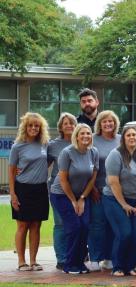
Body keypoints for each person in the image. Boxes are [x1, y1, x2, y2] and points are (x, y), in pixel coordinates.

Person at [103, 124, 136, 276]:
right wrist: (124, 204)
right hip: (115, 200)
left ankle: (130, 266)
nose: (132, 137)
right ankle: (118, 266)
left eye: (134, 135)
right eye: (128, 135)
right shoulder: (115, 155)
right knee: (124, 232)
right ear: (123, 138)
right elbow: (113, 182)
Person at [49, 124, 98, 274]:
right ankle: (69, 264)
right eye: (82, 133)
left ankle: (80, 263)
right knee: (74, 227)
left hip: (82, 195)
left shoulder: (93, 152)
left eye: (88, 133)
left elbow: (92, 179)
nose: (85, 136)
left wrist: (82, 198)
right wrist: (73, 200)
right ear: (76, 136)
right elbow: (63, 180)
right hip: (62, 194)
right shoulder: (67, 152)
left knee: (84, 227)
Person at [8, 112, 50, 271]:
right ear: (25, 127)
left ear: (41, 128)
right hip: (23, 189)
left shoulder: (45, 143)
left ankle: (33, 261)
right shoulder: (17, 146)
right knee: (22, 226)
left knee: (36, 225)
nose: (34, 128)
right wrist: (13, 194)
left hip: (40, 189)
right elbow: (11, 171)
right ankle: (21, 261)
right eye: (30, 125)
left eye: (37, 126)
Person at [88, 110, 121, 272]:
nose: (108, 124)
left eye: (111, 121)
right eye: (105, 121)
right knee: (97, 225)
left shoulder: (121, 140)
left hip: (117, 192)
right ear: (99, 124)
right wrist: (92, 188)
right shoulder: (92, 140)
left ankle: (109, 258)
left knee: (113, 226)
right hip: (98, 191)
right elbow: (86, 166)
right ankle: (95, 257)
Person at [47, 112, 77, 270]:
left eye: (72, 123)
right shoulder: (53, 145)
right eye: (65, 123)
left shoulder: (81, 141)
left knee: (75, 224)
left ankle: (75, 255)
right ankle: (62, 258)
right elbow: (42, 165)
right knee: (60, 224)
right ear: (60, 127)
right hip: (57, 191)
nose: (69, 126)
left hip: (77, 190)